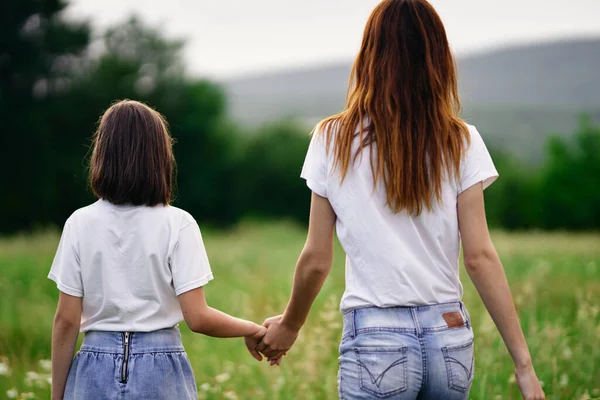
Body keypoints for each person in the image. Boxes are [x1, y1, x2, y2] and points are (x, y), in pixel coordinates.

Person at [251, 1, 545, 399]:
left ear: (369, 55)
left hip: (376, 339)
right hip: (450, 335)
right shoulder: (462, 140)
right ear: (437, 58)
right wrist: (523, 366)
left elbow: (317, 259)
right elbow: (480, 257)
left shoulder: (332, 140)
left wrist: (290, 325)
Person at [49, 100, 266, 400]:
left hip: (92, 367)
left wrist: (58, 394)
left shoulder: (79, 223)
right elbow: (198, 317)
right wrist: (252, 329)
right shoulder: (178, 224)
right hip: (161, 368)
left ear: (102, 154)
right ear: (159, 157)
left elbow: (66, 320)